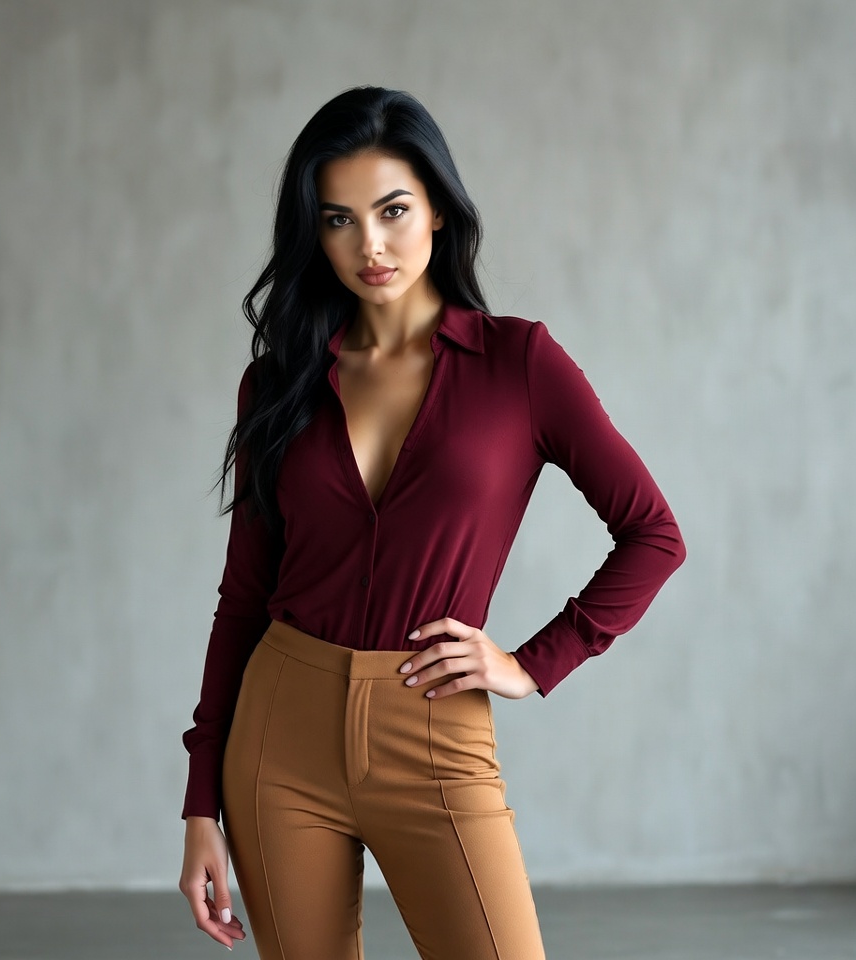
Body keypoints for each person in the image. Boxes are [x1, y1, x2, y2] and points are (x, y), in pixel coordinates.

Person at [178, 85, 685, 960]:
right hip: (279, 735)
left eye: (394, 210)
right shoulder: (279, 384)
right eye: (338, 219)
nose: (369, 245)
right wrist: (197, 805)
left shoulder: (519, 364)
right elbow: (243, 596)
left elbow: (652, 533)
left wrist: (530, 664)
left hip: (432, 725)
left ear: (441, 210)